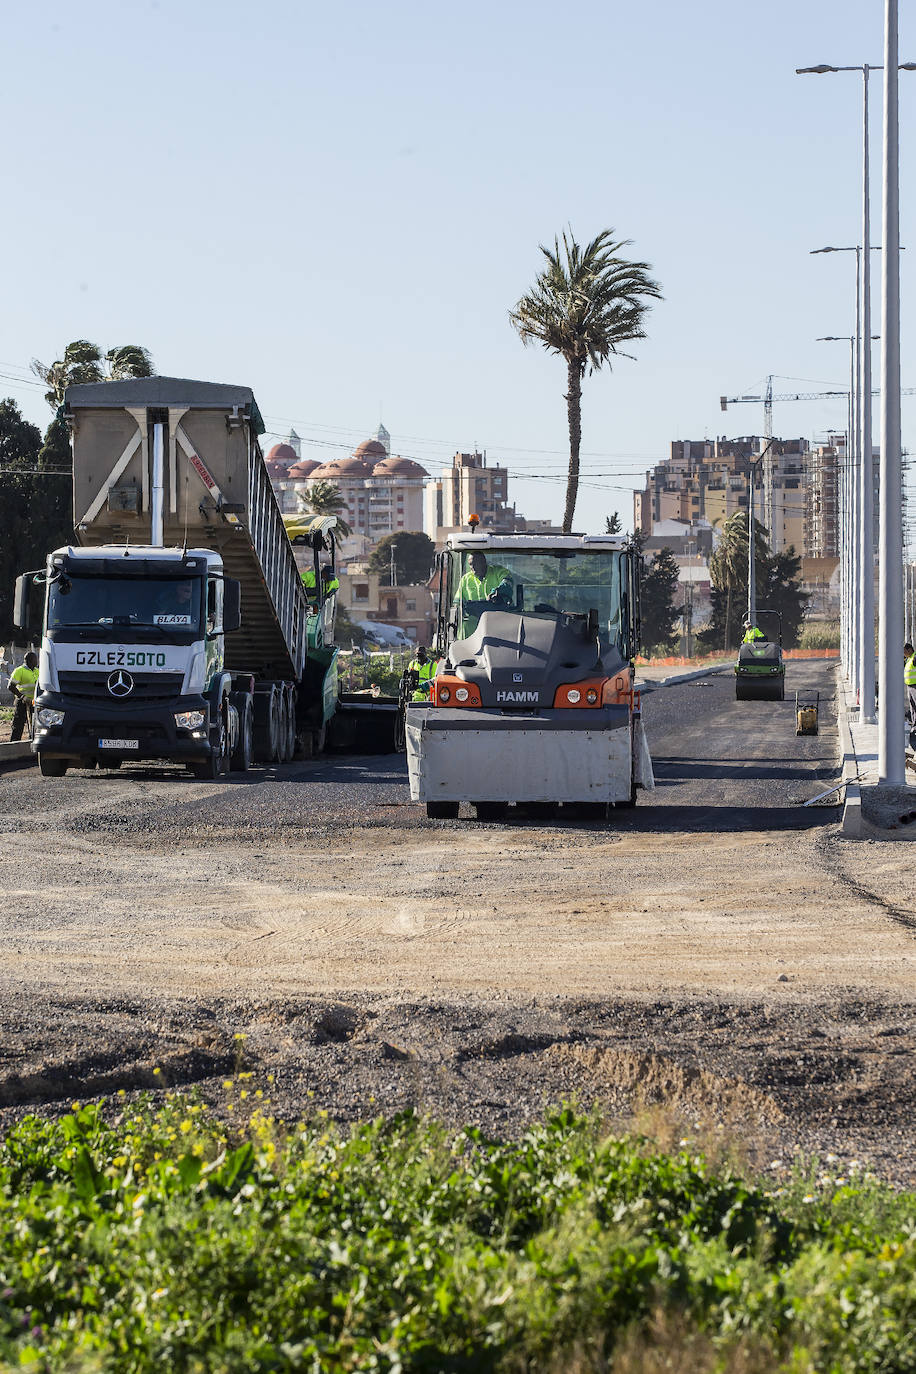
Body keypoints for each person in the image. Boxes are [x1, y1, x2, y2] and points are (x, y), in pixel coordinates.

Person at [455, 553, 511, 635]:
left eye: (475, 564)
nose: (472, 567)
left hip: (498, 622)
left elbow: (507, 582)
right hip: (473, 627)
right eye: (470, 564)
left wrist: (498, 592)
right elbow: (457, 603)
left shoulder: (498, 572)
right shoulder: (465, 580)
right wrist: (458, 608)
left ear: (484, 562)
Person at [8, 652, 39, 742]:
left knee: (34, 725)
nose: (37, 661)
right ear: (29, 660)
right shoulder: (19, 670)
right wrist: (23, 697)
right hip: (22, 702)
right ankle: (14, 743)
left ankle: (31, 742)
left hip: (34, 702)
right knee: (18, 725)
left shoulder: (37, 671)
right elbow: (10, 686)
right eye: (35, 659)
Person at [905, 642, 916, 725]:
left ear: (910, 650)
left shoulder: (914, 658)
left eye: (905, 651)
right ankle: (914, 722)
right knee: (912, 706)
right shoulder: (908, 659)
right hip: (909, 686)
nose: (904, 654)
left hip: (915, 686)